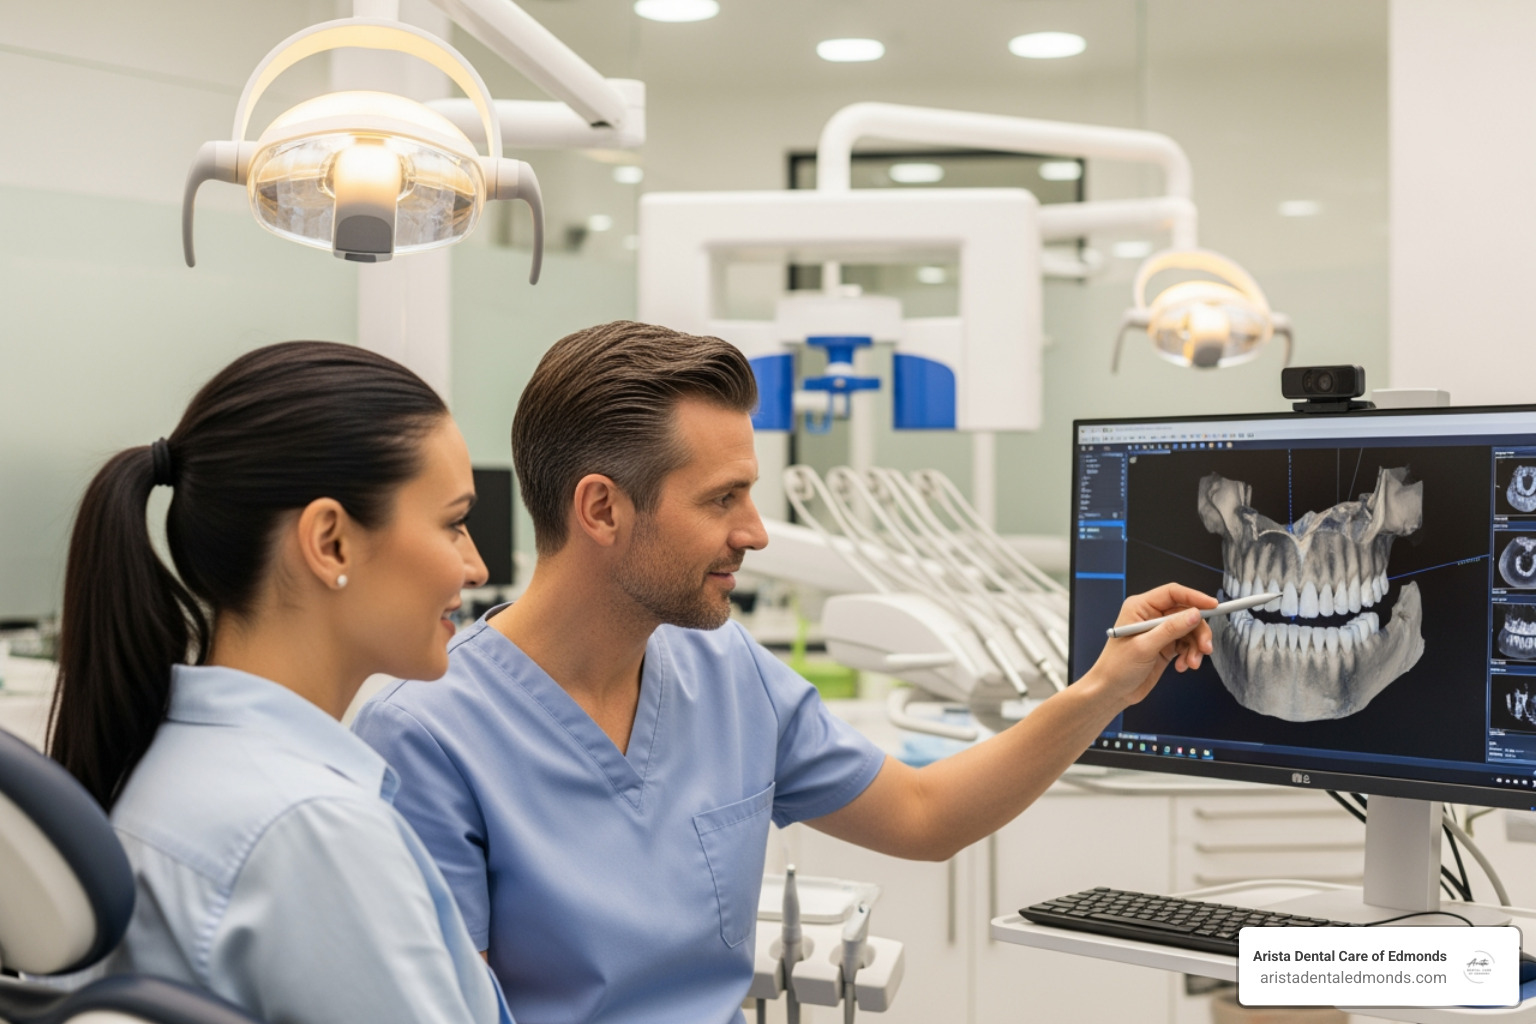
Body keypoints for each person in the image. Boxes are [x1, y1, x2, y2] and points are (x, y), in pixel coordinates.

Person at [352, 320, 1214, 1024]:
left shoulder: (719, 666)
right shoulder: (426, 732)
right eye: (722, 498)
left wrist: (1104, 687)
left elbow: (924, 815)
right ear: (603, 508)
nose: (757, 532)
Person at [49, 341, 513, 1024]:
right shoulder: (311, 830)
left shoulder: (171, 760)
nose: (474, 566)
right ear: (330, 543)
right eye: (453, 523)